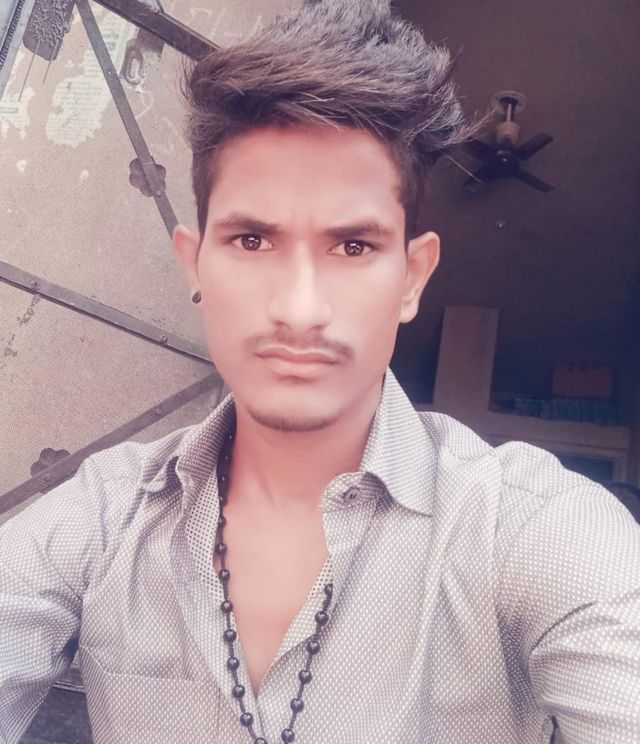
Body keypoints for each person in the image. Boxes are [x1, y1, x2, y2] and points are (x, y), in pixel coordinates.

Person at [1, 1, 639, 742]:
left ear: (413, 277)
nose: (300, 310)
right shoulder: (102, 519)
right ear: (194, 264)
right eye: (251, 240)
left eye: (353, 247)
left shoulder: (533, 530)